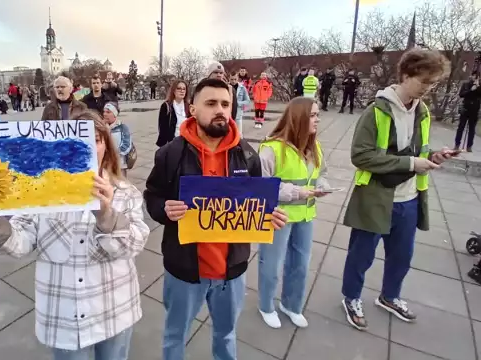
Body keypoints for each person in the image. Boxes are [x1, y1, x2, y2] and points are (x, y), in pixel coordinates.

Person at [0, 110, 149, 360]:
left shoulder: (125, 192)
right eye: (77, 140)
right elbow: (19, 243)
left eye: (95, 140)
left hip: (114, 311)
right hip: (64, 318)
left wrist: (106, 214)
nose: (86, 147)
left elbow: (134, 245)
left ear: (106, 147)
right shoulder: (40, 194)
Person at [144, 78, 288, 360]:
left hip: (230, 272)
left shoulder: (247, 156)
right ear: (193, 109)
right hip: (184, 270)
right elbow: (152, 196)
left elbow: (255, 204)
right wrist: (164, 209)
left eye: (225, 104)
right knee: (175, 335)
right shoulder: (170, 154)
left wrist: (266, 216)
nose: (220, 110)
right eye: (211, 103)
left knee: (226, 335)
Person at [341, 48, 453, 330]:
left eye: (433, 83)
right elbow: (361, 156)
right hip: (377, 198)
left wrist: (433, 157)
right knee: (361, 255)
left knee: (402, 257)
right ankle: (351, 297)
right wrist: (412, 163)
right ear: (405, 75)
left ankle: (390, 296)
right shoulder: (376, 111)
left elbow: (419, 151)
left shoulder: (423, 111)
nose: (428, 89)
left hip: (410, 199)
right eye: (424, 82)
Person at [257, 97, 332, 329]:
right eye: (312, 115)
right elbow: (262, 185)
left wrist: (323, 185)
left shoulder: (314, 146)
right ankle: (266, 305)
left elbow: (320, 173)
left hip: (305, 217)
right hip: (278, 217)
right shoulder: (272, 149)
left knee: (300, 264)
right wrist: (298, 192)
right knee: (271, 264)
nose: (317, 119)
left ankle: (291, 305)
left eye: (318, 115)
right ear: (298, 118)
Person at [155, 80, 190, 147]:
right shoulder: (166, 106)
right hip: (172, 143)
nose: (182, 91)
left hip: (186, 142)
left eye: (184, 89)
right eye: (179, 88)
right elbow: (162, 128)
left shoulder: (188, 106)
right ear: (174, 90)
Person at [103, 102, 132, 177]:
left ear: (115, 114)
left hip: (120, 164)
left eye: (108, 112)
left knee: (121, 184)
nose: (105, 114)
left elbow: (127, 145)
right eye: (104, 111)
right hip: (105, 164)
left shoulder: (122, 127)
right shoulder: (102, 127)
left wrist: (114, 154)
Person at [454, 71, 481, 152]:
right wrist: (471, 90)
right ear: (471, 76)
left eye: (477, 77)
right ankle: (457, 145)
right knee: (461, 127)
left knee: (472, 129)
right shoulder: (466, 84)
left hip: (475, 110)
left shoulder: (479, 86)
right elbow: (461, 94)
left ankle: (469, 146)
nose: (475, 78)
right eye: (474, 76)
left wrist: (478, 87)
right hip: (465, 108)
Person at [229, 72, 250, 137]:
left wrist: (238, 103)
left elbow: (247, 101)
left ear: (237, 78)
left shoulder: (242, 88)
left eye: (235, 79)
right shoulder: (226, 87)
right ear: (229, 79)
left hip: (238, 114)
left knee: (239, 134)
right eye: (232, 79)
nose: (233, 81)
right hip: (228, 114)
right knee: (229, 135)